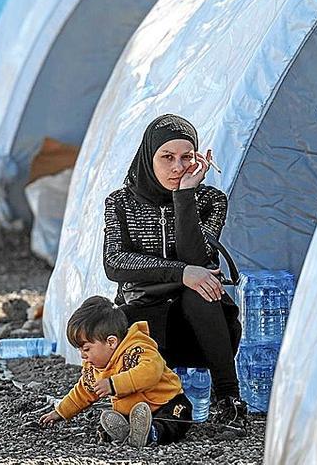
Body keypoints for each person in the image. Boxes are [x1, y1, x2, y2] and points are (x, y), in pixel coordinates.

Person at [103, 113, 248, 429]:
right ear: (149, 157)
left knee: (204, 290)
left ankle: (228, 399)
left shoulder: (210, 200)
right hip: (143, 317)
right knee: (117, 326)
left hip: (197, 327)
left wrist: (184, 195)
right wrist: (181, 273)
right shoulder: (121, 202)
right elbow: (114, 262)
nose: (177, 166)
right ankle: (156, 413)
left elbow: (200, 255)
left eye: (186, 157)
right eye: (166, 157)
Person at [39, 296, 192, 448]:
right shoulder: (94, 367)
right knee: (110, 422)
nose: (82, 355)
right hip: (132, 413)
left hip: (166, 403)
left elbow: (150, 372)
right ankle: (127, 432)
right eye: (79, 349)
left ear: (111, 342)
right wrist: (61, 412)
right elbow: (83, 391)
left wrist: (114, 384)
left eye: (86, 349)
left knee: (175, 419)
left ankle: (151, 433)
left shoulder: (137, 349)